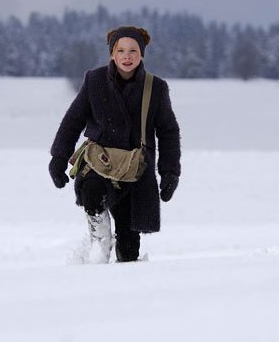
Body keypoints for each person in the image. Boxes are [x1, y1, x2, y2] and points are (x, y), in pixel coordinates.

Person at [49, 26, 181, 263]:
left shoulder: (155, 88)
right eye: (121, 50)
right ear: (112, 54)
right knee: (91, 194)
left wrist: (170, 172)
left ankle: (121, 286)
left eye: (133, 50)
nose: (127, 56)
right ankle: (99, 242)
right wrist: (59, 157)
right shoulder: (94, 80)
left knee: (129, 249)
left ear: (141, 54)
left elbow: (168, 131)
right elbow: (73, 120)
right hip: (99, 163)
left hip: (136, 172)